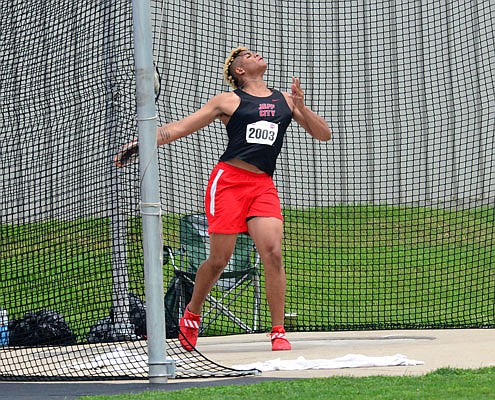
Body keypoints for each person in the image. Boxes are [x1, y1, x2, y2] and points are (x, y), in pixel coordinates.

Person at [115, 46, 331, 351]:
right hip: (228, 183)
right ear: (239, 70)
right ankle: (192, 314)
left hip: (262, 186)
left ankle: (278, 331)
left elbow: (323, 134)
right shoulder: (227, 101)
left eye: (256, 52)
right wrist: (140, 142)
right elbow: (178, 128)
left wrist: (302, 106)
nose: (256, 54)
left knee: (273, 252)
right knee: (219, 260)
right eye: (247, 55)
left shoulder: (285, 100)